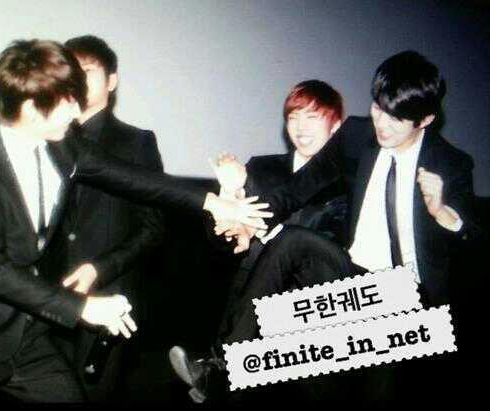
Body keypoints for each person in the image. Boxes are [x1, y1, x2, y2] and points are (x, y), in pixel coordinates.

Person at [175, 50, 478, 404]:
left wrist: (444, 214)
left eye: (396, 118)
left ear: (425, 119)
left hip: (408, 297)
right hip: (349, 274)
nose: (382, 124)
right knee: (293, 241)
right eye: (378, 108)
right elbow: (295, 190)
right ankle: (219, 367)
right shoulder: (357, 135)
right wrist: (244, 218)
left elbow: (473, 246)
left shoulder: (451, 164)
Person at [0, 39, 138, 402]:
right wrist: (84, 307)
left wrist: (212, 201)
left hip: (26, 330)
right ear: (31, 110)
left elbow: (133, 178)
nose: (77, 111)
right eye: (67, 102)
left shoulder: (60, 142)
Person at [169, 79, 349, 403]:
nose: (301, 127)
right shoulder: (261, 168)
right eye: (293, 117)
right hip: (246, 307)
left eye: (312, 117)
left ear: (336, 125)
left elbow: (329, 246)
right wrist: (230, 194)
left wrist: (259, 229)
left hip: (307, 315)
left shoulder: (348, 183)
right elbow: (220, 243)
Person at [53, 34, 165, 401]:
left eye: (88, 71)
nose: (78, 80)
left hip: (109, 298)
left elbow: (153, 229)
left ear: (111, 81)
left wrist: (99, 269)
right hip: (47, 297)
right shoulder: (48, 137)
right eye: (71, 72)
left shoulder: (136, 142)